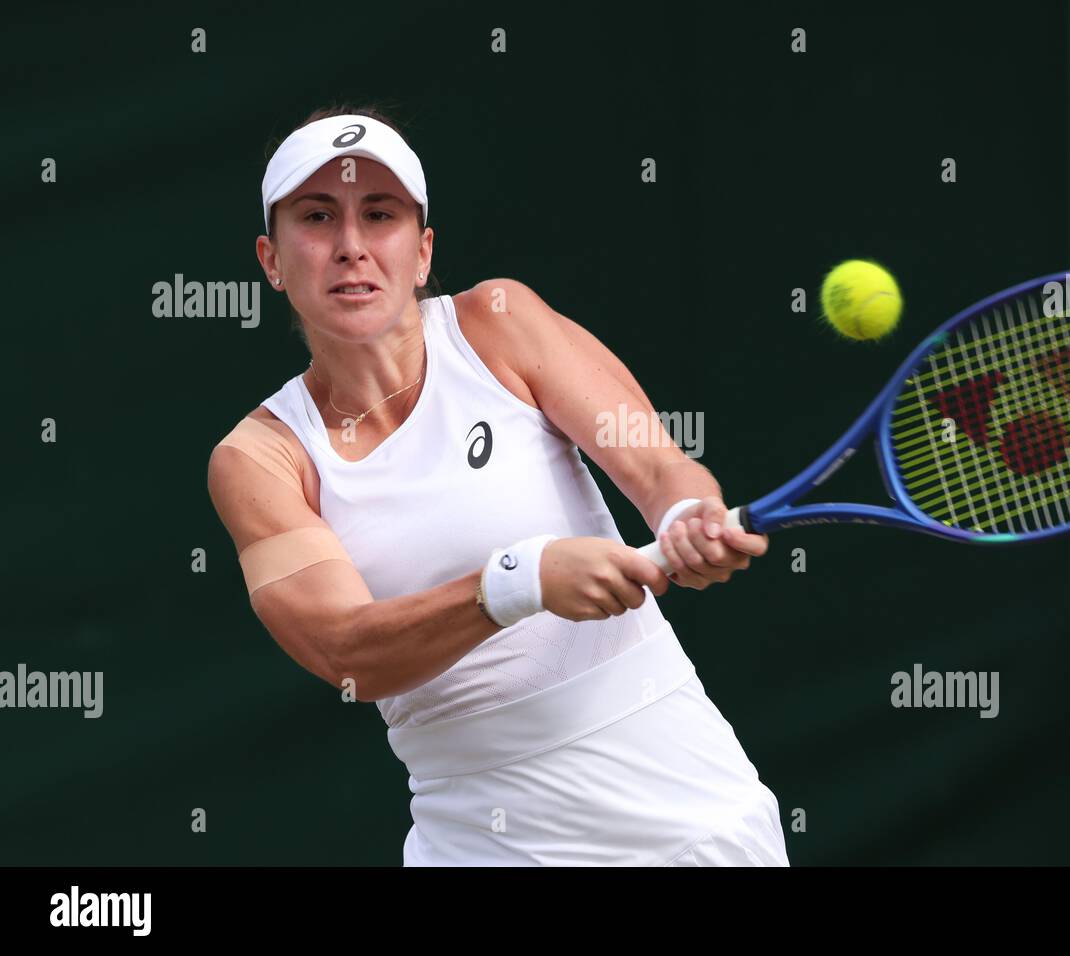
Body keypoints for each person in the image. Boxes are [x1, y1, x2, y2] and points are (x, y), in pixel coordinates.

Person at [207, 105, 789, 866]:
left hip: (691, 816)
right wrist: (520, 580)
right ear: (271, 259)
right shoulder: (260, 458)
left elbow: (657, 468)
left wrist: (686, 515)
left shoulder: (499, 324)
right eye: (317, 217)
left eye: (378, 214)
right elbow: (346, 653)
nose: (351, 247)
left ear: (421, 252)